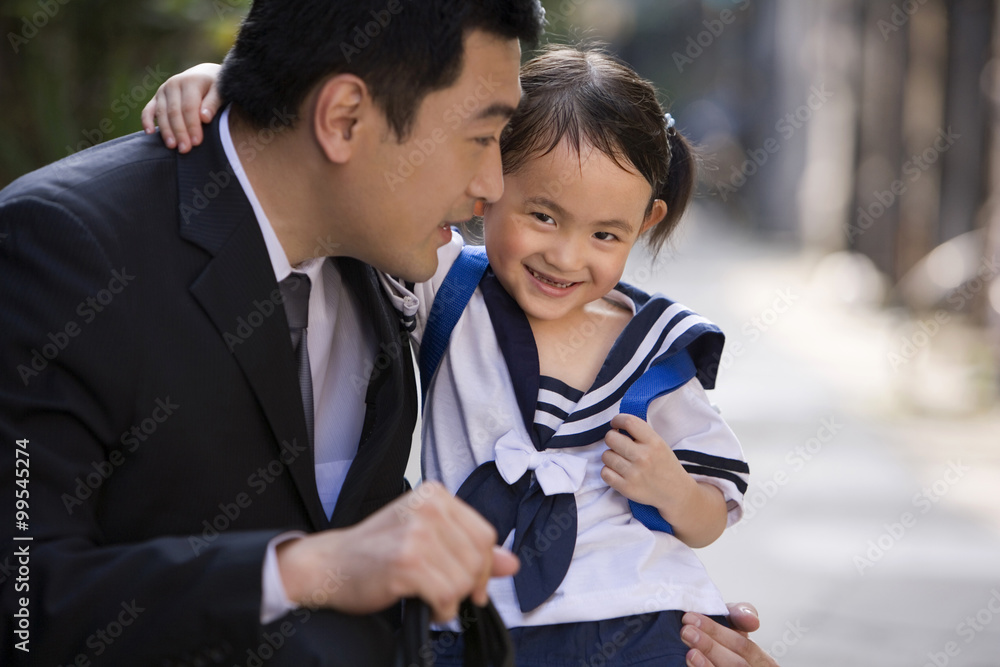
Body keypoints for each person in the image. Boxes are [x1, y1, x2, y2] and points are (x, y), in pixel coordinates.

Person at [144, 47, 783, 667]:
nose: (565, 256)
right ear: (487, 185)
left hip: (639, 615)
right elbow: (331, 207)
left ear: (645, 224)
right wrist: (229, 91)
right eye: (542, 215)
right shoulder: (448, 289)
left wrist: (671, 489)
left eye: (604, 234)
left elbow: (710, 517)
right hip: (473, 620)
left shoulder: (659, 348)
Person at [0, 2, 545, 665]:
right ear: (343, 119)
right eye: (481, 137)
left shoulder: (382, 240)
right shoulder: (63, 249)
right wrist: (297, 569)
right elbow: (23, 602)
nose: (493, 185)